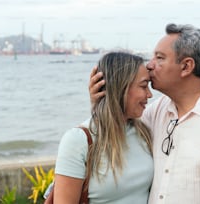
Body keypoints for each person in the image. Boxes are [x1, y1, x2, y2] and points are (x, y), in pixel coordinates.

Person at [89, 23, 200, 204]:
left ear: (186, 66)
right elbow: (115, 131)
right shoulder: (156, 111)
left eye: (160, 58)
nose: (150, 65)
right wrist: (101, 100)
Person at [52, 52, 154, 203]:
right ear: (121, 87)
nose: (150, 94)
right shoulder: (77, 140)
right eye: (144, 86)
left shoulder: (145, 132)